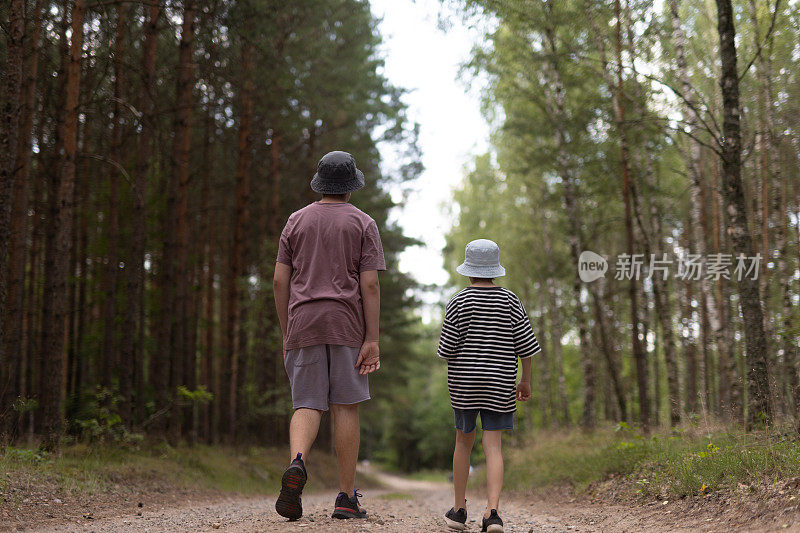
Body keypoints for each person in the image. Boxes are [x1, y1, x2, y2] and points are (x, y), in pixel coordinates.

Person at [273, 150, 385, 521]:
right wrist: (372, 338)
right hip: (346, 324)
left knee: (306, 403)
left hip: (303, 321)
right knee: (345, 406)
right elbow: (369, 284)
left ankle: (298, 461)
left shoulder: (295, 221)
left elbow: (278, 280)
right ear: (351, 187)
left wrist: (288, 330)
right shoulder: (363, 223)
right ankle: (346, 497)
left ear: (320, 185)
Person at [438, 239, 540, 533]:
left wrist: (462, 373)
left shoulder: (458, 301)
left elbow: (446, 350)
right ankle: (493, 513)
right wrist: (525, 380)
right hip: (500, 384)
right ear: (495, 270)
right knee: (493, 446)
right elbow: (526, 347)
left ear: (468, 272)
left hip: (465, 385)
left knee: (463, 442)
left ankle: (458, 511)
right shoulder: (510, 301)